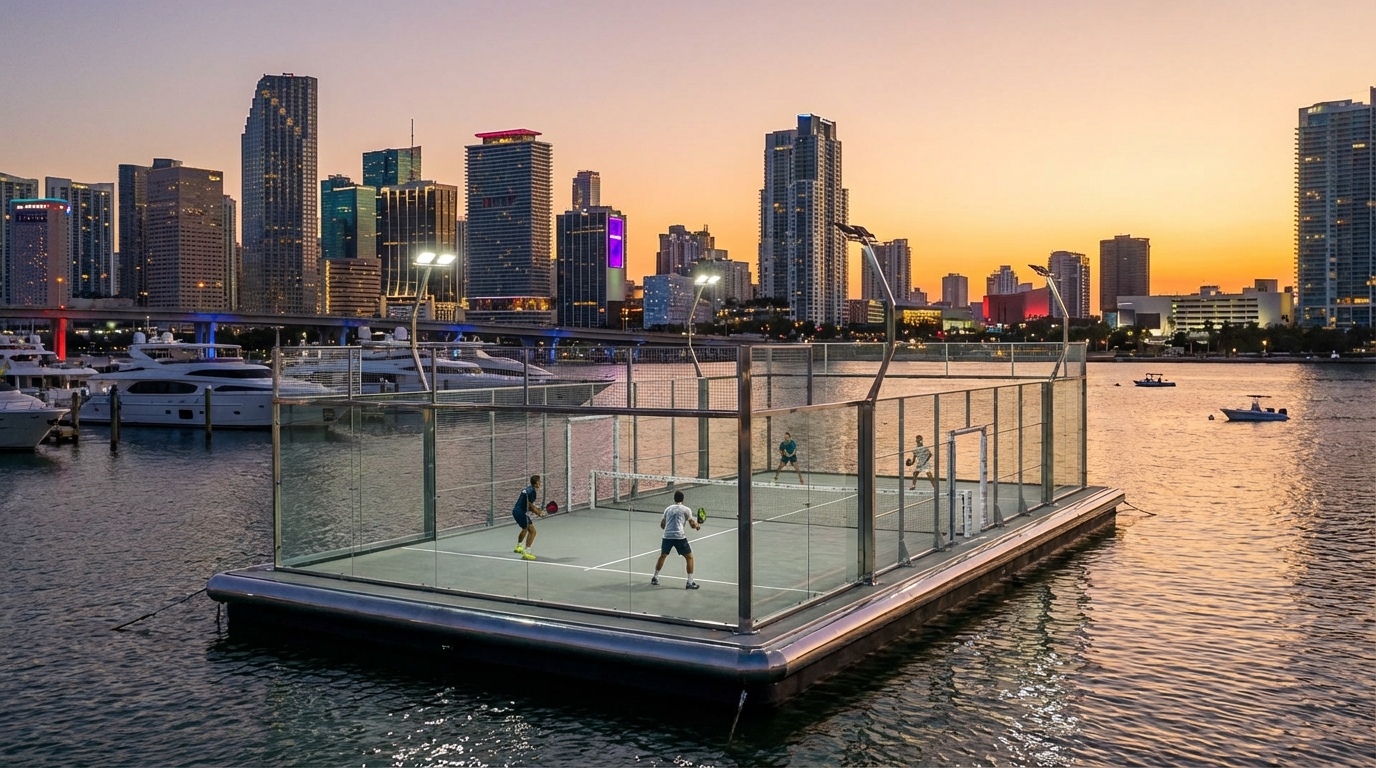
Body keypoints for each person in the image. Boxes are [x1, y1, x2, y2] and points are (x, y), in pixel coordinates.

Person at [652, 490, 700, 589]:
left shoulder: (668, 509)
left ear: (674, 499)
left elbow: (662, 525)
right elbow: (692, 524)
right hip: (679, 537)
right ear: (683, 499)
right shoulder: (686, 510)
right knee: (689, 557)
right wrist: (697, 525)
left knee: (663, 555)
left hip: (667, 536)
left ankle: (655, 577)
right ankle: (690, 582)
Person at [512, 474, 545, 561]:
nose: (540, 483)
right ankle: (527, 552)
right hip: (520, 512)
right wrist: (539, 513)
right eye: (539, 481)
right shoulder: (532, 492)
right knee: (532, 531)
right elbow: (530, 506)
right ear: (536, 483)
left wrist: (538, 510)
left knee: (526, 529)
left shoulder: (528, 489)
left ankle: (519, 546)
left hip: (516, 511)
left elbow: (529, 506)